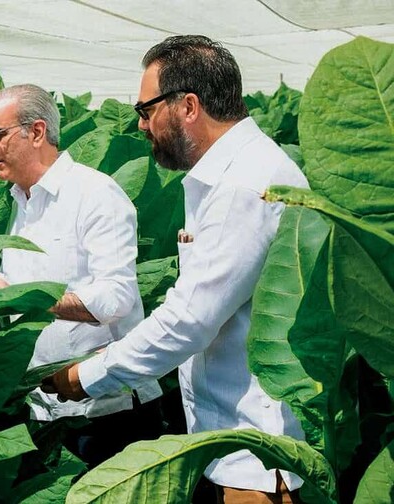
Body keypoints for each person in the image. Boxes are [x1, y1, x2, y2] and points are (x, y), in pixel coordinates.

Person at [42, 35, 309, 502]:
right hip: (226, 445)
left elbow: (188, 322)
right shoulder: (231, 175)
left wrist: (83, 378)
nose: (141, 125)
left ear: (187, 106)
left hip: (254, 463)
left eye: (146, 110)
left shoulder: (243, 187)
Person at [0, 84, 163, 467]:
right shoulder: (21, 200)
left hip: (107, 413)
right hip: (46, 412)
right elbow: (19, 283)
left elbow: (116, 298)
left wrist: (25, 294)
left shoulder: (95, 195)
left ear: (36, 132)